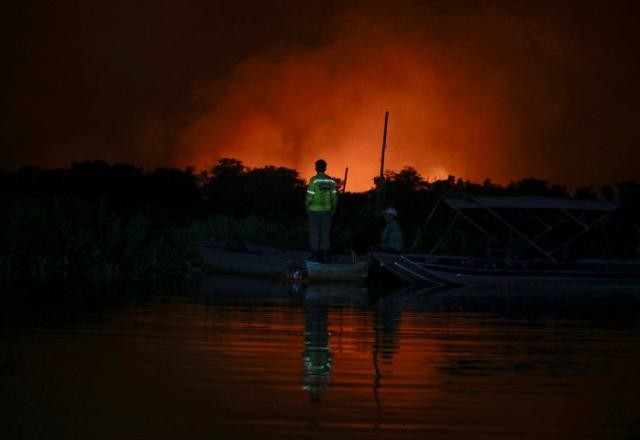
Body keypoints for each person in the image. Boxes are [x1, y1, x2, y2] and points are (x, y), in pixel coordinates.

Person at [306, 159, 338, 262]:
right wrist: (333, 209)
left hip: (314, 211)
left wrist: (307, 208)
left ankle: (315, 256)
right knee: (325, 234)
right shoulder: (331, 181)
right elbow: (335, 197)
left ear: (316, 168)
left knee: (315, 233)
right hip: (327, 211)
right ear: (325, 168)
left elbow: (309, 197)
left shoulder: (314, 180)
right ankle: (325, 257)